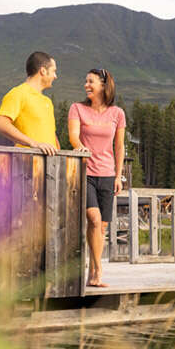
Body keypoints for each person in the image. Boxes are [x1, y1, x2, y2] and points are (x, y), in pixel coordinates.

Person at [68, 68, 126, 287]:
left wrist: (118, 176)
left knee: (100, 228)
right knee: (92, 219)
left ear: (103, 85)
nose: (86, 85)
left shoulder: (117, 113)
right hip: (85, 173)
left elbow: (119, 146)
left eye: (90, 81)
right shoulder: (77, 108)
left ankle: (92, 273)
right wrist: (80, 147)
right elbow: (74, 136)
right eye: (85, 81)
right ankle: (99, 270)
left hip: (108, 175)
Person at [0, 51, 59, 155]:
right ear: (43, 71)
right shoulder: (18, 93)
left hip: (50, 166)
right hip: (26, 163)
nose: (55, 76)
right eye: (53, 71)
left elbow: (52, 135)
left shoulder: (47, 101)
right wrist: (34, 143)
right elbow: (1, 123)